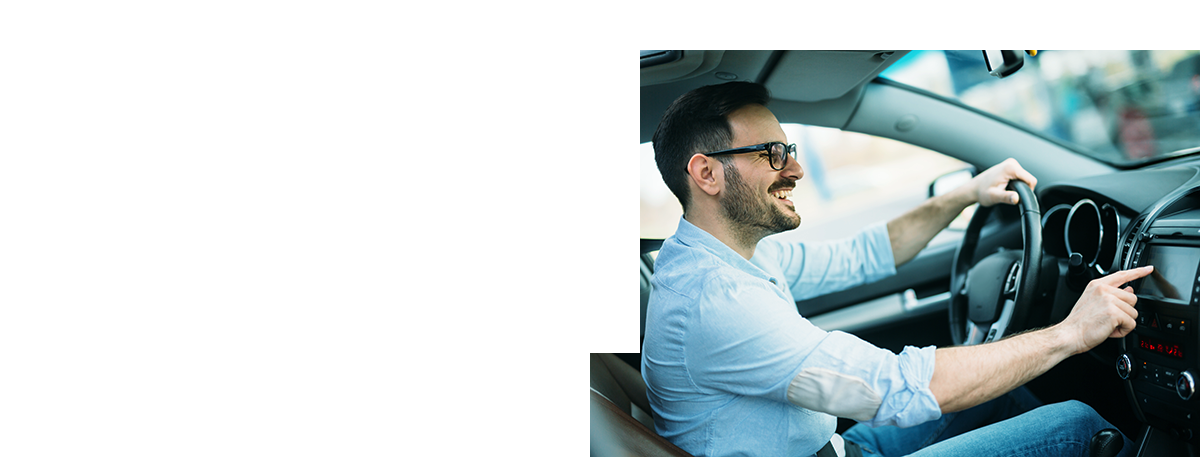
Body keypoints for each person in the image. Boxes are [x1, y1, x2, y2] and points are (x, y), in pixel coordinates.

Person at [641, 81, 1151, 457]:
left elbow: (865, 254)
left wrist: (965, 195)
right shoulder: (716, 301)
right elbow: (896, 388)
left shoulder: (732, 254)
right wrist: (1070, 333)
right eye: (772, 154)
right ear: (707, 173)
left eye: (789, 150)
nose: (794, 168)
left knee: (1006, 392)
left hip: (839, 449)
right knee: (1077, 427)